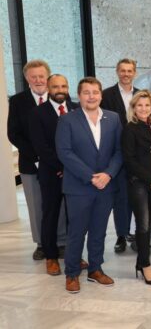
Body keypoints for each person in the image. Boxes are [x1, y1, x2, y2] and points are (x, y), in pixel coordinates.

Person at [56, 77, 124, 293]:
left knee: (99, 230)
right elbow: (65, 152)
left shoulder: (113, 118)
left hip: (106, 186)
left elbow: (119, 151)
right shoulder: (67, 120)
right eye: (86, 92)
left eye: (95, 92)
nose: (91, 96)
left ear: (101, 95)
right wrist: (91, 177)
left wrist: (109, 174)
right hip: (78, 187)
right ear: (79, 96)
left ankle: (95, 269)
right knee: (76, 232)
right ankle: (72, 273)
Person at [8, 59, 62, 260]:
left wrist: (56, 159)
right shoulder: (17, 101)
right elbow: (14, 134)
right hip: (31, 164)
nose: (38, 80)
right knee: (36, 205)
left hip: (59, 163)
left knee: (61, 205)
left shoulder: (58, 98)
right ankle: (41, 244)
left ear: (48, 77)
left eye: (41, 76)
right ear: (27, 79)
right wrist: (38, 156)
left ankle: (61, 242)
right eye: (33, 77)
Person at [29, 74, 78, 275]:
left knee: (74, 217)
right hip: (51, 173)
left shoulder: (77, 109)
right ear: (48, 88)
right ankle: (50, 257)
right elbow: (40, 146)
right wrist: (61, 167)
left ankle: (74, 254)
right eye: (56, 87)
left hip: (75, 174)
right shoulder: (37, 112)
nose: (60, 90)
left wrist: (72, 168)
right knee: (50, 215)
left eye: (63, 86)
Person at [122, 90, 151, 285]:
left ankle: (141, 263)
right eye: (139, 105)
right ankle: (145, 265)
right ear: (133, 108)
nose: (143, 108)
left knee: (150, 223)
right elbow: (129, 160)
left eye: (147, 105)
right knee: (143, 225)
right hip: (138, 183)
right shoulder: (129, 129)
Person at [100, 58, 138, 254]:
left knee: (138, 196)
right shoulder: (106, 95)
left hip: (139, 155)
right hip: (117, 154)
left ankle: (137, 234)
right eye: (123, 70)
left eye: (129, 71)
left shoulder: (141, 94)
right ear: (117, 72)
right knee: (121, 198)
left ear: (134, 73)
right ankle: (122, 235)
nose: (126, 74)